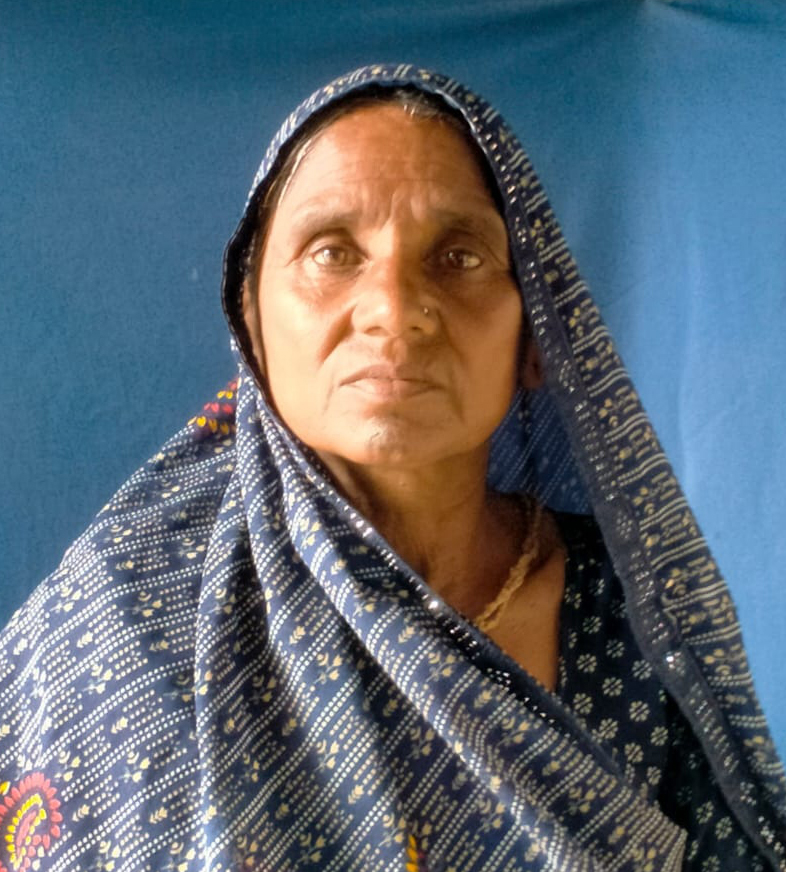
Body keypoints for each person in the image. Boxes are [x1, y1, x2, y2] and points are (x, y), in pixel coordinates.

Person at [0, 64, 783, 872]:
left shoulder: (632, 615)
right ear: (251, 318)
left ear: (538, 335)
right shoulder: (134, 614)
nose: (394, 309)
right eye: (332, 252)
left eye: (460, 257)